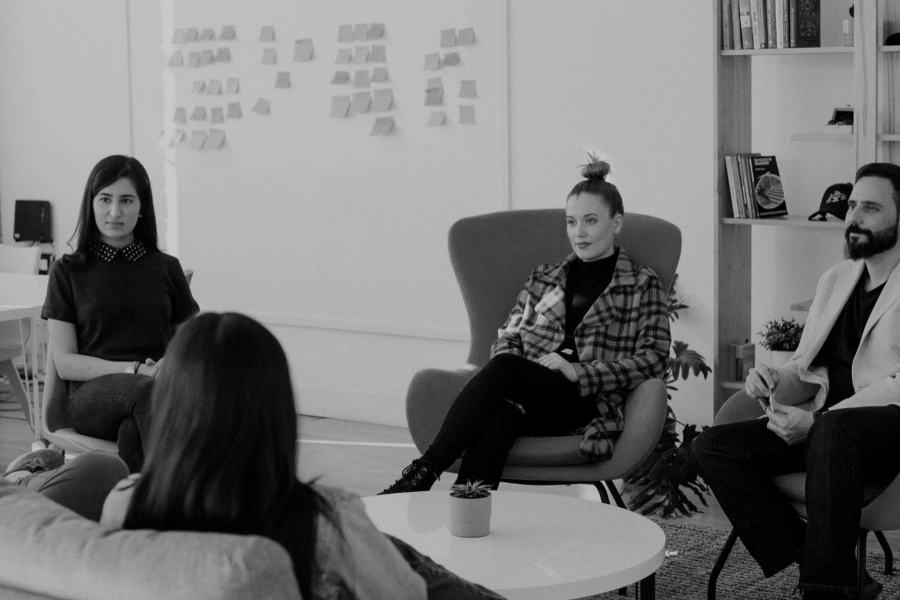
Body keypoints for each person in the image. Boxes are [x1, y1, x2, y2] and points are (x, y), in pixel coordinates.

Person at [98, 312, 503, 600]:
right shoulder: (325, 518)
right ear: (275, 412)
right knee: (404, 559)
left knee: (395, 550)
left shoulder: (124, 503)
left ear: (170, 410)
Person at [381, 158, 671, 494]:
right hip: (528, 391)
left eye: (591, 221)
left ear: (616, 222)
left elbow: (654, 358)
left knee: (505, 370)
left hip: (586, 401)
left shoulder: (640, 283)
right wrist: (524, 374)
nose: (579, 232)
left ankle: (424, 472)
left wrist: (581, 372)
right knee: (503, 414)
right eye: (572, 222)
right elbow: (509, 336)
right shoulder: (544, 277)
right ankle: (469, 508)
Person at [692, 163, 900, 600]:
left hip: (886, 432)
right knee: (713, 446)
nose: (854, 217)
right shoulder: (836, 280)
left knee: (834, 431)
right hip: (826, 431)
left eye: (872, 207)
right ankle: (826, 572)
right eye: (852, 205)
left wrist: (821, 421)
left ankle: (824, 591)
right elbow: (808, 368)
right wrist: (772, 380)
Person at [42, 155, 198, 472]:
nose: (115, 212)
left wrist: (172, 362)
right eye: (105, 200)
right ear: (91, 204)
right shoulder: (67, 271)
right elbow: (65, 362)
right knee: (147, 393)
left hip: (152, 393)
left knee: (133, 431)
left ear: (142, 207)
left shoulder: (167, 268)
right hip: (88, 399)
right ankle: (188, 497)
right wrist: (136, 369)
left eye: (126, 200)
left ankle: (138, 510)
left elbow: (194, 341)